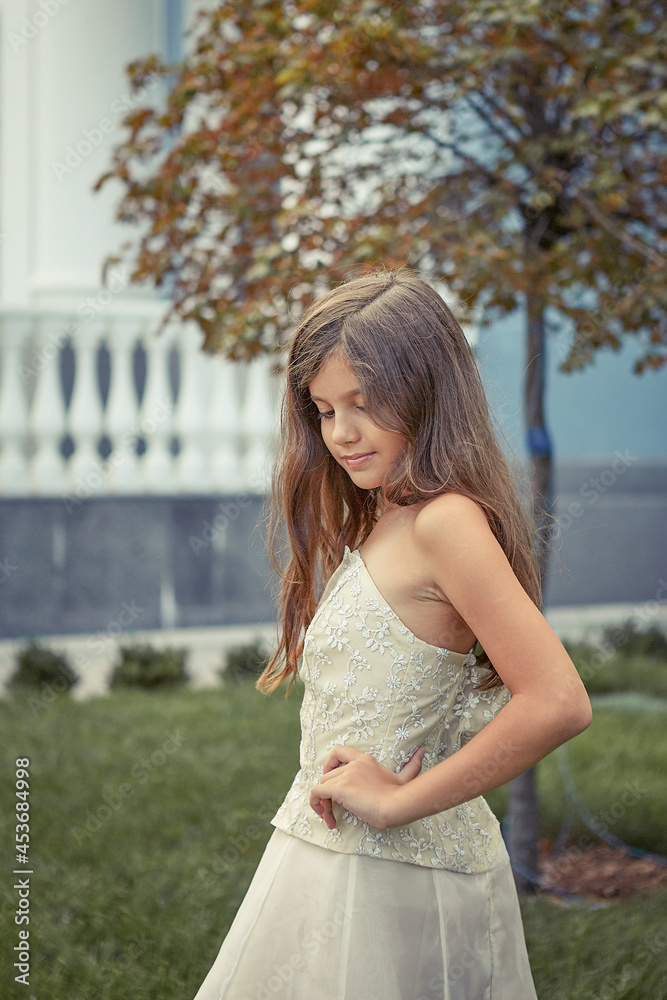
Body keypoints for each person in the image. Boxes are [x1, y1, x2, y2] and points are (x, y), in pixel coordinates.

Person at [193, 269, 592, 1000]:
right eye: (324, 410)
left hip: (397, 877)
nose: (340, 433)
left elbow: (558, 701)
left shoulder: (446, 523)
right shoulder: (384, 515)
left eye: (364, 404)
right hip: (325, 852)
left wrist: (398, 802)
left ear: (425, 393)